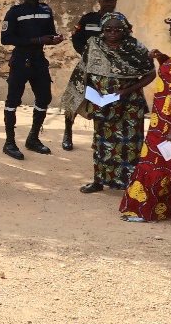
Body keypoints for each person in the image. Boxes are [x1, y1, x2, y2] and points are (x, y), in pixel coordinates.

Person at [60, 13, 154, 193]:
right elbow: (83, 71)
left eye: (117, 29)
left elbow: (150, 74)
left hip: (130, 105)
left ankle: (130, 184)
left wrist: (125, 91)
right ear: (102, 30)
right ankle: (98, 181)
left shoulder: (135, 48)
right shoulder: (93, 45)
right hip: (102, 103)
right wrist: (88, 95)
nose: (112, 33)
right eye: (108, 29)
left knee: (130, 145)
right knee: (101, 143)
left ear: (125, 30)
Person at [120, 12, 171, 225]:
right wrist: (163, 59)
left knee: (154, 163)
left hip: (170, 123)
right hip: (164, 121)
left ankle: (143, 209)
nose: (170, 29)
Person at [0, 0, 65, 160]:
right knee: (13, 100)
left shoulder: (46, 10)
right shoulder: (15, 12)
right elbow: (6, 39)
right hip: (21, 60)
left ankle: (33, 138)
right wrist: (36, 40)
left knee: (44, 97)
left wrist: (55, 39)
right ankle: (10, 142)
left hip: (38, 60)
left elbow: (49, 34)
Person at [62, 0, 119, 150]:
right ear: (99, 2)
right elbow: (77, 39)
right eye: (106, 1)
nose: (109, 4)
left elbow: (125, 42)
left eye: (112, 1)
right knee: (73, 97)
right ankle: (67, 133)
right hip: (86, 67)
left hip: (108, 70)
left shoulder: (119, 21)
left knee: (103, 102)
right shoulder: (88, 19)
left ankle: (99, 138)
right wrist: (86, 54)